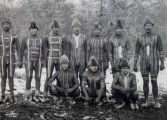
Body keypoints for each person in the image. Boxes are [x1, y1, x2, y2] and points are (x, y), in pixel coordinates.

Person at [133, 16, 165, 108]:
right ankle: (146, 101)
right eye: (146, 25)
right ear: (144, 26)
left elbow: (161, 50)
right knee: (145, 82)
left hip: (154, 62)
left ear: (152, 26)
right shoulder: (140, 38)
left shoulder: (157, 36)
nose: (148, 26)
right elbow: (136, 52)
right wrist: (135, 64)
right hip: (143, 63)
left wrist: (162, 63)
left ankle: (156, 101)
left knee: (154, 81)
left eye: (150, 25)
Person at [20, 21, 43, 102]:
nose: (33, 31)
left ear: (37, 30)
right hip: (29, 62)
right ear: (29, 30)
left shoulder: (40, 39)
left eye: (35, 29)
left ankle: (37, 95)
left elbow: (43, 50)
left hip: (38, 62)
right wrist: (20, 61)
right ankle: (27, 95)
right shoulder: (26, 39)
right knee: (28, 77)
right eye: (32, 29)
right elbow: (21, 51)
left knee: (38, 77)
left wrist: (43, 60)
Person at [0, 18, 21, 103]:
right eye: (4, 24)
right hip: (2, 59)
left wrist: (19, 59)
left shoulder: (14, 35)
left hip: (12, 59)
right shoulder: (0, 35)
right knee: (3, 76)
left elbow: (19, 48)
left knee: (11, 77)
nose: (6, 25)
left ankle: (12, 96)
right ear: (2, 26)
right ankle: (2, 96)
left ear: (10, 25)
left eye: (7, 24)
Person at [62, 18, 87, 86]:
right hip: (72, 59)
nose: (76, 29)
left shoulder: (84, 37)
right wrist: (67, 61)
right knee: (73, 76)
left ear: (80, 28)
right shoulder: (69, 38)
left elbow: (86, 50)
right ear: (72, 28)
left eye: (78, 27)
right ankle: (75, 91)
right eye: (75, 27)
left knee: (82, 75)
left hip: (82, 59)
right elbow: (67, 50)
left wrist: (86, 61)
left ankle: (83, 91)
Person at [43, 20, 63, 101]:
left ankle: (59, 93)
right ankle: (45, 92)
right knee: (48, 76)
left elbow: (64, 48)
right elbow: (44, 49)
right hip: (50, 59)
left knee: (59, 77)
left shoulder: (61, 37)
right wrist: (44, 60)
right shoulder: (47, 37)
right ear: (52, 28)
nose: (56, 29)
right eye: (54, 28)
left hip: (59, 59)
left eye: (57, 28)